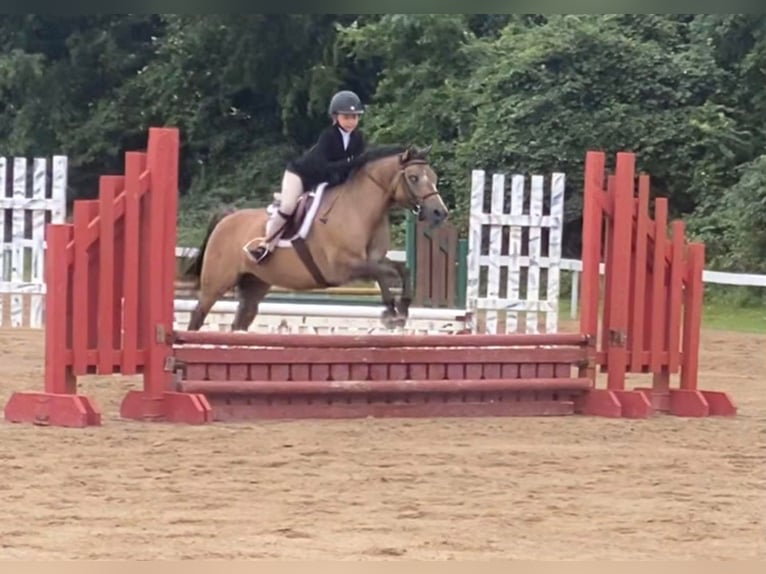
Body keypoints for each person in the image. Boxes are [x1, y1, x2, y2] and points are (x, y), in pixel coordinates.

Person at [247, 89, 367, 264]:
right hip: (301, 176)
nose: (351, 121)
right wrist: (350, 164)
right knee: (288, 206)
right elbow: (324, 166)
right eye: (346, 117)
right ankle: (265, 245)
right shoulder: (328, 137)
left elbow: (358, 164)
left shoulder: (358, 138)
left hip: (325, 181)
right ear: (336, 117)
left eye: (354, 117)